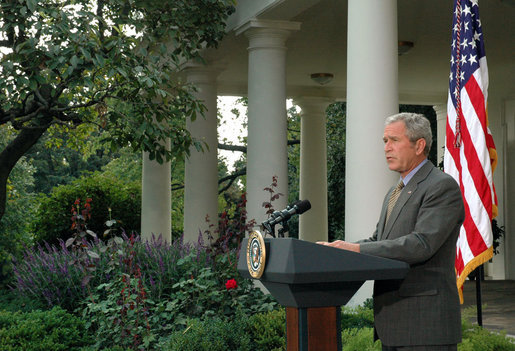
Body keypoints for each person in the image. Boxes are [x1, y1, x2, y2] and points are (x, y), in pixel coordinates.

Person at [318, 113, 465, 351]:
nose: (387, 148)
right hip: (394, 325)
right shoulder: (394, 192)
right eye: (385, 141)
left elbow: (421, 244)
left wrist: (355, 249)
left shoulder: (441, 186)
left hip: (424, 327)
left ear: (419, 145)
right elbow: (379, 241)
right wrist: (339, 251)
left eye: (394, 140)